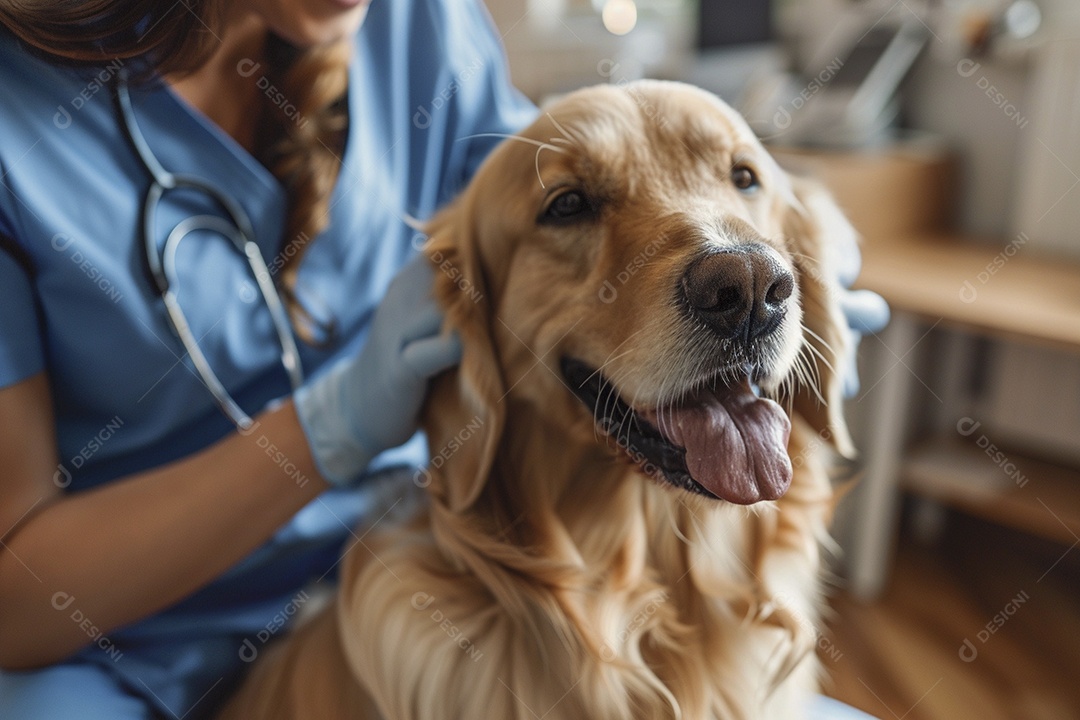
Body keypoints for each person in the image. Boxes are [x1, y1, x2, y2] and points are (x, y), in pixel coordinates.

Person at [0, 1, 887, 718]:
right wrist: (329, 429)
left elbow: (550, 161)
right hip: (116, 643)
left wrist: (798, 256)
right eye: (576, 210)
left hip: (407, 551)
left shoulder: (418, 18)